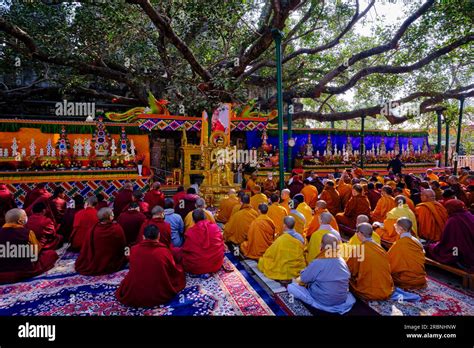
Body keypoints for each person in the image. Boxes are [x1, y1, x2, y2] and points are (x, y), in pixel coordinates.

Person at [116, 225, 186, 307]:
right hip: (159, 293)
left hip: (136, 294)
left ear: (143, 237)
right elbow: (172, 269)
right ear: (159, 236)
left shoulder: (134, 249)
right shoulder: (164, 251)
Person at [288, 234, 356, 314]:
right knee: (349, 295)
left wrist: (304, 271)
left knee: (291, 287)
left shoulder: (319, 262)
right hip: (340, 301)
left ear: (321, 245)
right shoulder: (342, 261)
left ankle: (319, 306)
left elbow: (304, 279)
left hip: (322, 302)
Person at [0, 208, 58, 284]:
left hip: (2, 269)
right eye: (25, 216)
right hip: (22, 270)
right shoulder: (27, 233)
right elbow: (36, 252)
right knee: (50, 254)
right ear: (20, 220)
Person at [346, 223, 394, 300]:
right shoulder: (380, 248)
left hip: (367, 291)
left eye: (356, 232)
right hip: (386, 289)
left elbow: (350, 270)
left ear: (360, 233)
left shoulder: (359, 249)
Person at [75, 208, 127, 275]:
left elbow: (87, 247)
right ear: (109, 217)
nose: (113, 215)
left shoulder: (92, 229)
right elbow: (123, 244)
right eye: (112, 214)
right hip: (111, 261)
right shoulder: (117, 228)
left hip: (95, 260)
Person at [425, 200, 474, 272]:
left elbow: (446, 241)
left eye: (447, 208)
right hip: (470, 250)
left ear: (451, 209)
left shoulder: (453, 220)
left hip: (460, 254)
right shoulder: (469, 215)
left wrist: (435, 246)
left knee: (429, 249)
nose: (446, 210)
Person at [258, 216, 306, 281]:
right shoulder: (300, 237)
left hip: (283, 268)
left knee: (263, 261)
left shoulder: (281, 239)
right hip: (296, 268)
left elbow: (269, 253)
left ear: (284, 226)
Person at [180, 209, 225, 274]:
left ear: (193, 220)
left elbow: (186, 250)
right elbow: (221, 243)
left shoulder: (190, 232)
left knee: (180, 254)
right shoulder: (215, 227)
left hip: (197, 267)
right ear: (205, 217)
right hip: (215, 264)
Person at [387, 217, 427, 290]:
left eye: (396, 226)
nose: (395, 227)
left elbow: (389, 262)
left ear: (401, 229)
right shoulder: (416, 241)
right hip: (420, 279)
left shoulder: (400, 244)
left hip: (406, 280)